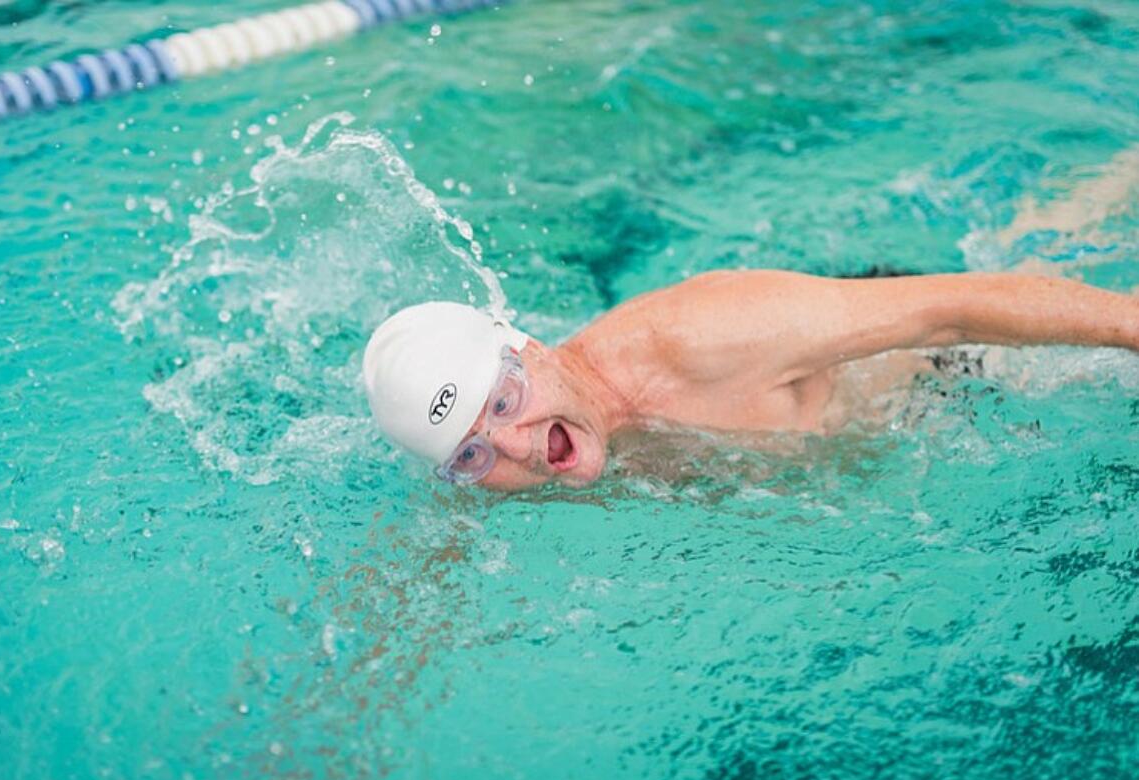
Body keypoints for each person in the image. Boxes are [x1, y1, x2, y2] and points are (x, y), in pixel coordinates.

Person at [362, 270, 1138, 490]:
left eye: (503, 401)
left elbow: (948, 308)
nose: (513, 445)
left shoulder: (697, 339)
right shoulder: (520, 476)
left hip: (953, 377)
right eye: (471, 454)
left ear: (528, 348)